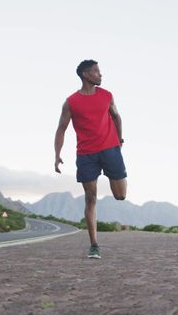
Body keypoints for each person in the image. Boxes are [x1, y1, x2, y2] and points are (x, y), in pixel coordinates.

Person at [54, 59, 127, 259]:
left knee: (120, 196)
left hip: (110, 150)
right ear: (86, 75)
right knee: (90, 198)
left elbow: (116, 117)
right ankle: (94, 245)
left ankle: (114, 182)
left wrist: (118, 141)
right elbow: (61, 129)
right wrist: (57, 155)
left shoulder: (107, 95)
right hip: (86, 154)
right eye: (96, 71)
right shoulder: (71, 102)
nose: (100, 75)